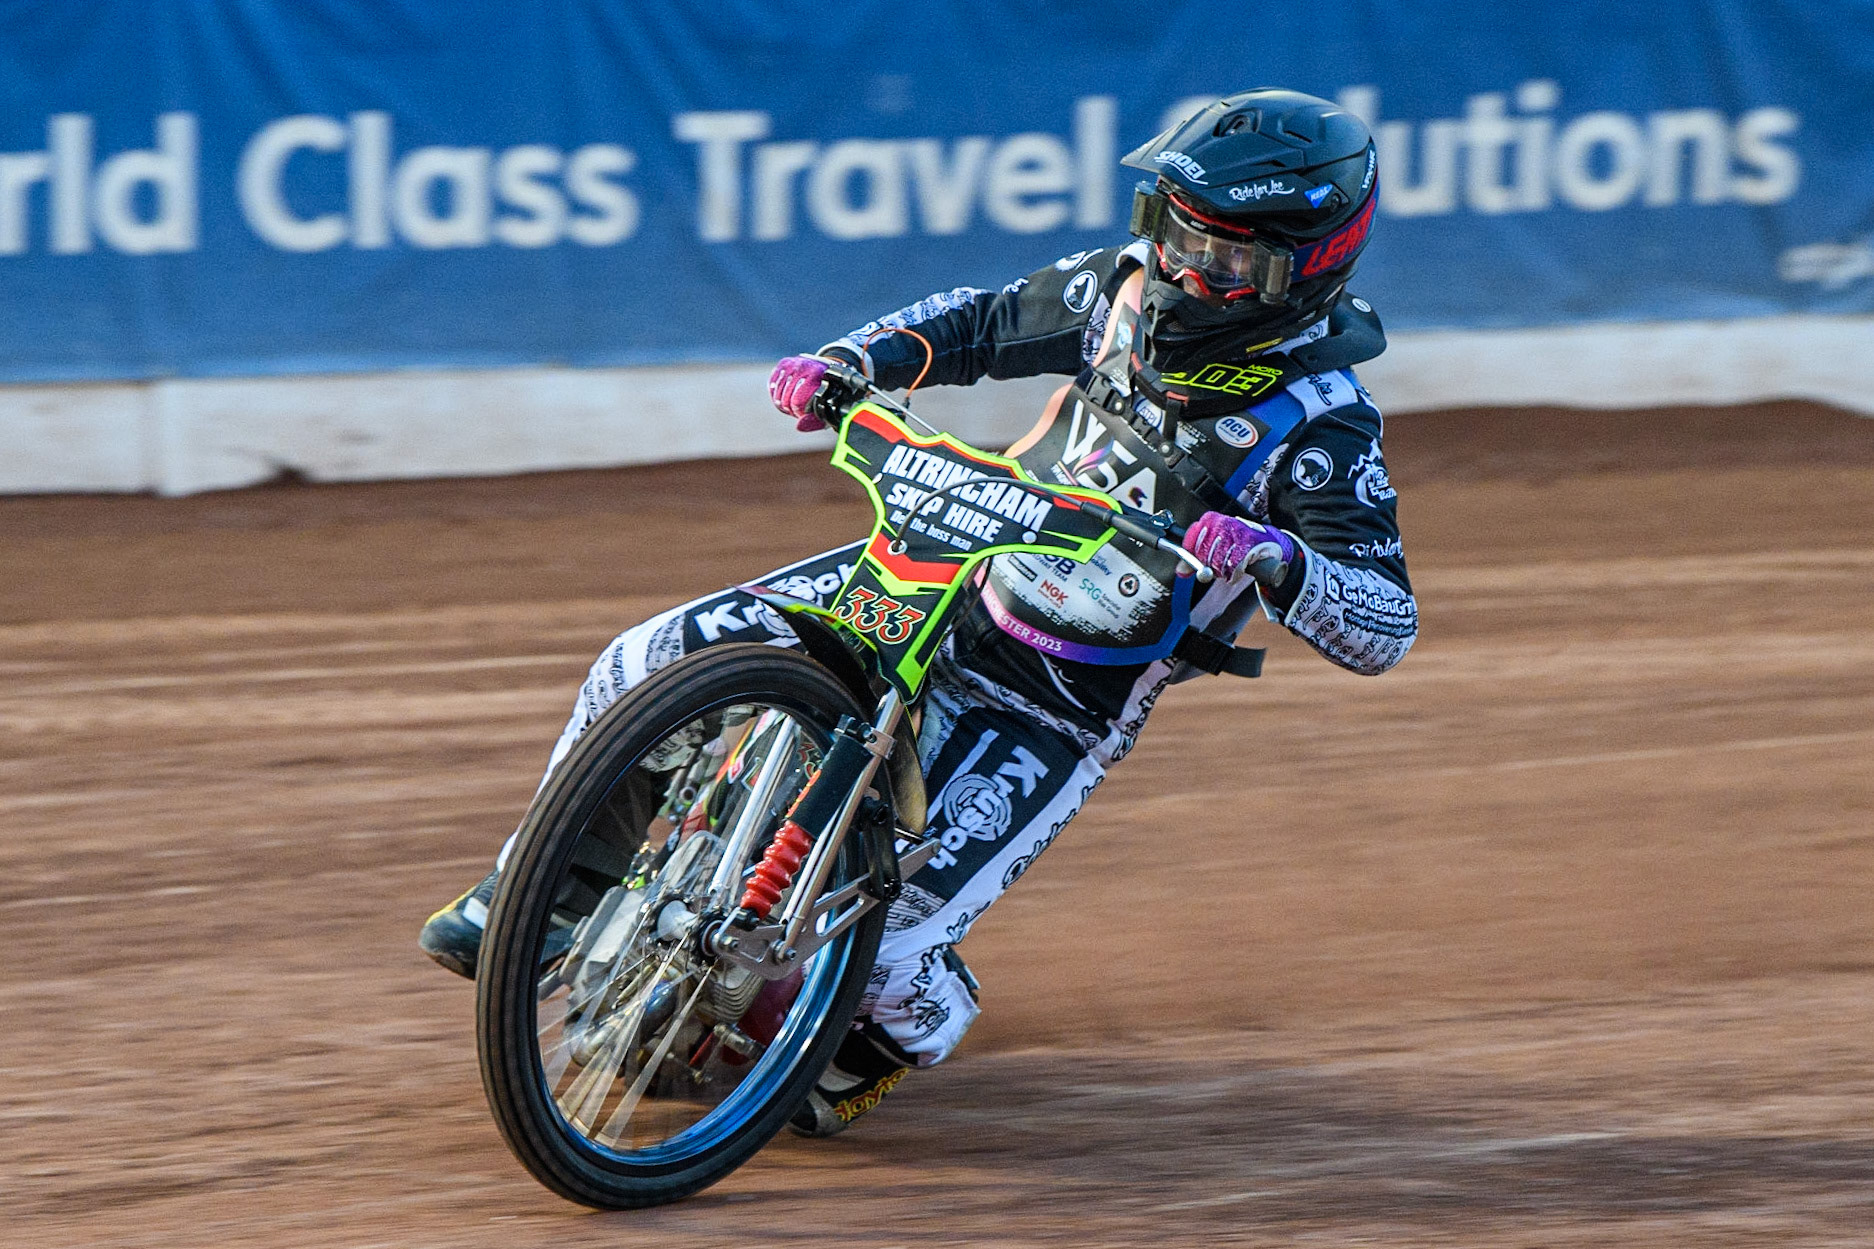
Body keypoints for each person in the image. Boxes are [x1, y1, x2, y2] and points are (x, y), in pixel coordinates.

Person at [421, 88, 1417, 1136]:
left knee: (890, 952)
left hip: (1055, 695)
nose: (1181, 271)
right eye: (1171, 235)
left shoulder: (1321, 426)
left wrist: (1276, 557)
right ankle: (543, 898)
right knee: (644, 658)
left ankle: (872, 1048)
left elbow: (1383, 622)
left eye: (1221, 259)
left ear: (1305, 265)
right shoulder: (1116, 292)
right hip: (946, 569)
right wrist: (853, 360)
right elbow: (982, 320)